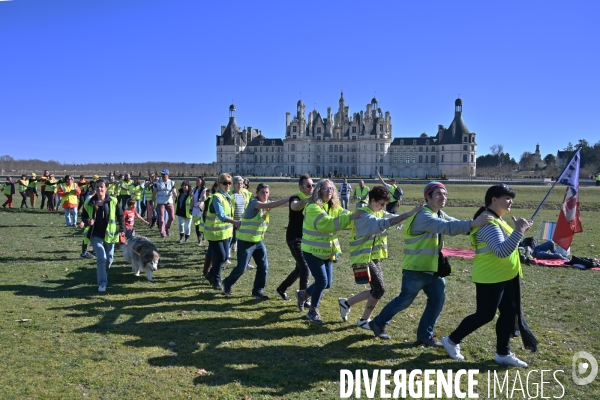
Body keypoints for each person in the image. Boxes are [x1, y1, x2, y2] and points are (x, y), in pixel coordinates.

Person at [368, 181, 493, 343]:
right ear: (428, 197)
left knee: (437, 301)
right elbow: (446, 227)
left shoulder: (438, 213)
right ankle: (378, 323)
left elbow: (453, 223)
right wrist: (473, 223)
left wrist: (475, 226)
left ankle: (424, 337)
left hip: (433, 269)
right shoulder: (423, 215)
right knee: (404, 301)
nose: (443, 197)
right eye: (439, 194)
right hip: (416, 268)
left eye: (445, 194)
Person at [442, 184, 534, 367]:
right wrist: (519, 231)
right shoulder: (487, 221)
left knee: (509, 313)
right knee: (485, 315)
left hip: (506, 275)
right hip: (490, 276)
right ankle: (451, 341)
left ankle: (503, 353)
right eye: (507, 198)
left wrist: (521, 238)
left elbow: (508, 245)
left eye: (511, 198)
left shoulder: (498, 219)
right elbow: (501, 251)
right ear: (494, 199)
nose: (511, 202)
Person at [338, 186, 422, 329]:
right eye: (381, 204)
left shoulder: (378, 212)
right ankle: (363, 320)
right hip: (363, 258)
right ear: (372, 200)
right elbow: (384, 224)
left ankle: (346, 303)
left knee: (376, 289)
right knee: (379, 289)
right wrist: (409, 213)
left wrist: (414, 216)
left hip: (372, 258)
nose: (383, 207)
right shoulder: (364, 216)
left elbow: (394, 218)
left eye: (385, 205)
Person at [295, 179, 361, 323]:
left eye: (331, 189)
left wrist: (361, 216)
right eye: (326, 189)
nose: (329, 191)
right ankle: (313, 311)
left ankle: (303, 294)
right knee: (322, 280)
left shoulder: (333, 206)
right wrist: (350, 217)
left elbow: (346, 214)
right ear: (318, 191)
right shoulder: (312, 207)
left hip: (327, 251)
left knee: (327, 283)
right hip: (312, 251)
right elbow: (328, 224)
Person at [222, 183, 290, 298]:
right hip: (246, 242)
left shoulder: (265, 204)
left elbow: (284, 204)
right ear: (257, 193)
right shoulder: (255, 203)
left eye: (267, 192)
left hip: (258, 242)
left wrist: (298, 201)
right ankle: (227, 282)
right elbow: (273, 204)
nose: (265, 194)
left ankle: (257, 291)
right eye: (262, 192)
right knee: (242, 268)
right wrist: (289, 197)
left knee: (263, 266)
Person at [276, 174, 314, 305]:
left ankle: (281, 289)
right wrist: (306, 201)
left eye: (312, 185)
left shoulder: (312, 200)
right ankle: (304, 297)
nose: (311, 188)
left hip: (306, 239)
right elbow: (295, 206)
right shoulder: (296, 197)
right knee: (305, 267)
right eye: (308, 185)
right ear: (301, 187)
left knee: (299, 268)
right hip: (294, 238)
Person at [81, 179, 125, 292]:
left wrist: (122, 230)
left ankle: (103, 273)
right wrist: (87, 221)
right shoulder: (89, 202)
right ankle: (102, 283)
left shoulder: (113, 201)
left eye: (101, 187)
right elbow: (84, 217)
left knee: (109, 259)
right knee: (101, 257)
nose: (99, 189)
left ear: (106, 188)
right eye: (97, 187)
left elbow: (120, 216)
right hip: (95, 235)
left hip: (110, 235)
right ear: (94, 189)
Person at [204, 173, 241, 290]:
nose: (228, 185)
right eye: (225, 183)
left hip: (226, 233)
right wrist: (234, 222)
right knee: (221, 256)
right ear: (219, 184)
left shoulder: (227, 197)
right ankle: (216, 280)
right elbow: (221, 216)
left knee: (224, 258)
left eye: (229, 183)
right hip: (214, 233)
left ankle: (210, 274)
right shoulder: (217, 197)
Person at [229, 176, 252, 261]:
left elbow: (250, 201)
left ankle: (241, 257)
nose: (240, 185)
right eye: (238, 183)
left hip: (243, 221)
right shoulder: (230, 194)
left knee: (241, 240)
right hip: (233, 220)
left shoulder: (245, 193)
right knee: (232, 239)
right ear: (234, 184)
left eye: (241, 183)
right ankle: (227, 256)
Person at [154, 169, 177, 238]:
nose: (163, 176)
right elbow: (154, 193)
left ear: (168, 175)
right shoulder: (157, 183)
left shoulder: (172, 183)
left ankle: (167, 228)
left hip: (169, 202)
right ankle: (162, 232)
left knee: (172, 217)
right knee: (161, 218)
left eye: (164, 174)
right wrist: (153, 203)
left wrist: (176, 196)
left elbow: (174, 192)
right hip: (161, 202)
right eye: (162, 175)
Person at [191, 176, 207, 245]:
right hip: (195, 209)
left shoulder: (205, 189)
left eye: (198, 180)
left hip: (202, 209)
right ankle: (199, 240)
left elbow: (204, 197)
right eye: (196, 180)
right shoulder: (194, 189)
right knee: (197, 225)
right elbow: (192, 200)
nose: (197, 182)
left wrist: (202, 201)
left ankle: (204, 237)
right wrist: (191, 209)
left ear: (202, 181)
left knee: (202, 224)